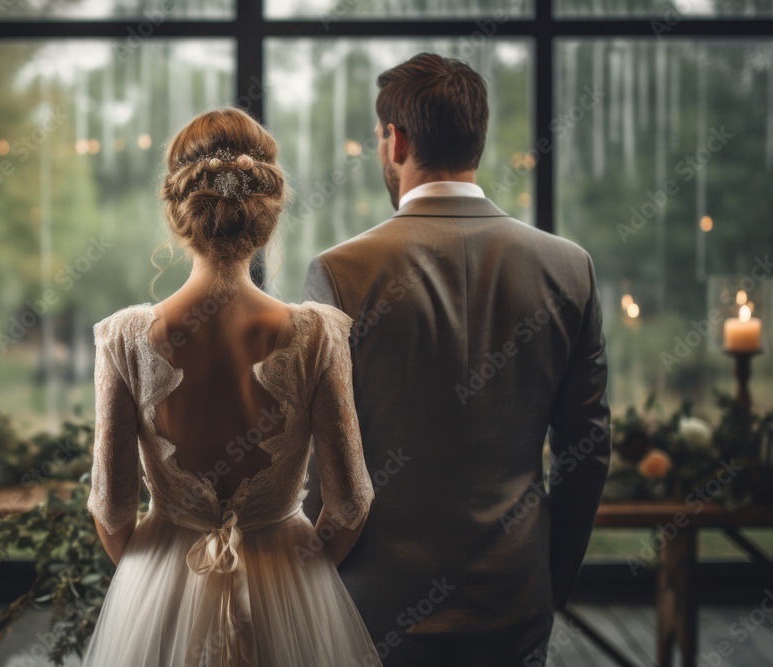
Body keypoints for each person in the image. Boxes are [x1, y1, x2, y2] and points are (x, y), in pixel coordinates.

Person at [303, 53, 611, 666]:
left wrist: (316, 587)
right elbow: (588, 448)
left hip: (374, 604)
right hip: (516, 596)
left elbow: (322, 462)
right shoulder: (568, 267)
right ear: (479, 136)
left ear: (396, 139)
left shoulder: (341, 274)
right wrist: (548, 580)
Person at [82, 107, 381, 667]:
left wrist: (155, 582)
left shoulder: (123, 338)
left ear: (178, 214)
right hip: (288, 578)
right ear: (266, 215)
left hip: (159, 579)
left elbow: (112, 511)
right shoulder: (316, 334)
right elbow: (350, 503)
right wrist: (297, 578)